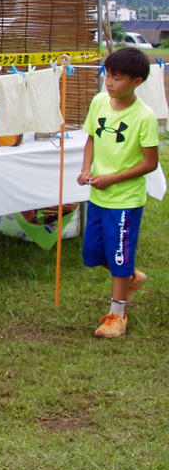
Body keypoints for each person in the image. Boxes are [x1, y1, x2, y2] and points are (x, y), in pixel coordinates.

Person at [77, 46, 159, 338]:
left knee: (120, 256)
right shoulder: (99, 102)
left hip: (125, 199)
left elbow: (150, 163)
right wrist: (86, 168)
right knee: (92, 252)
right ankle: (130, 276)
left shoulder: (144, 116)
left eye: (118, 78)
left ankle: (117, 315)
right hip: (98, 196)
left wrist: (113, 179)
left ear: (136, 82)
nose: (109, 83)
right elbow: (91, 139)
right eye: (108, 75)